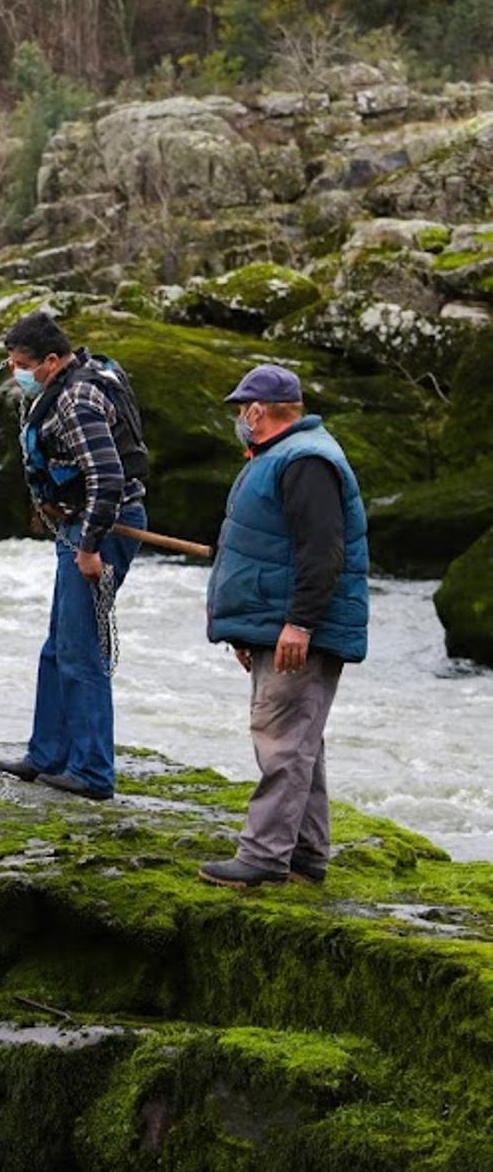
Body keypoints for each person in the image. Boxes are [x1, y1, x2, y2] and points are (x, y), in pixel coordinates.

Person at [200, 363, 369, 890]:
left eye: (240, 410)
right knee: (302, 742)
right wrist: (249, 632)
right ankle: (305, 854)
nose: (238, 420)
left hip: (298, 630)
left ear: (258, 410)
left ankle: (264, 856)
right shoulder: (285, 456)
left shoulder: (305, 460)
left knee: (281, 741)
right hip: (275, 626)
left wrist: (298, 624)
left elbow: (322, 551)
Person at [0, 311, 149, 799]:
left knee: (82, 652)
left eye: (21, 364)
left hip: (103, 529)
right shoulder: (69, 384)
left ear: (52, 361)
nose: (16, 373)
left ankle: (93, 772)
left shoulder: (78, 399)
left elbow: (107, 478)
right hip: (81, 525)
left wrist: (89, 548)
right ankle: (48, 754)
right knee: (57, 647)